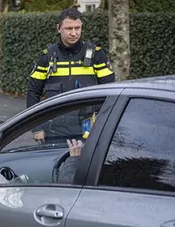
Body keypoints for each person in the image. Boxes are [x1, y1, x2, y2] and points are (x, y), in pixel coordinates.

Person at [26, 8, 115, 143]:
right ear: (59, 28)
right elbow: (33, 92)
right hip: (55, 132)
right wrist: (36, 128)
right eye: (69, 29)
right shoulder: (47, 56)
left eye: (77, 28)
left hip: (89, 132)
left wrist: (103, 125)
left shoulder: (97, 55)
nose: (74, 33)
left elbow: (110, 92)